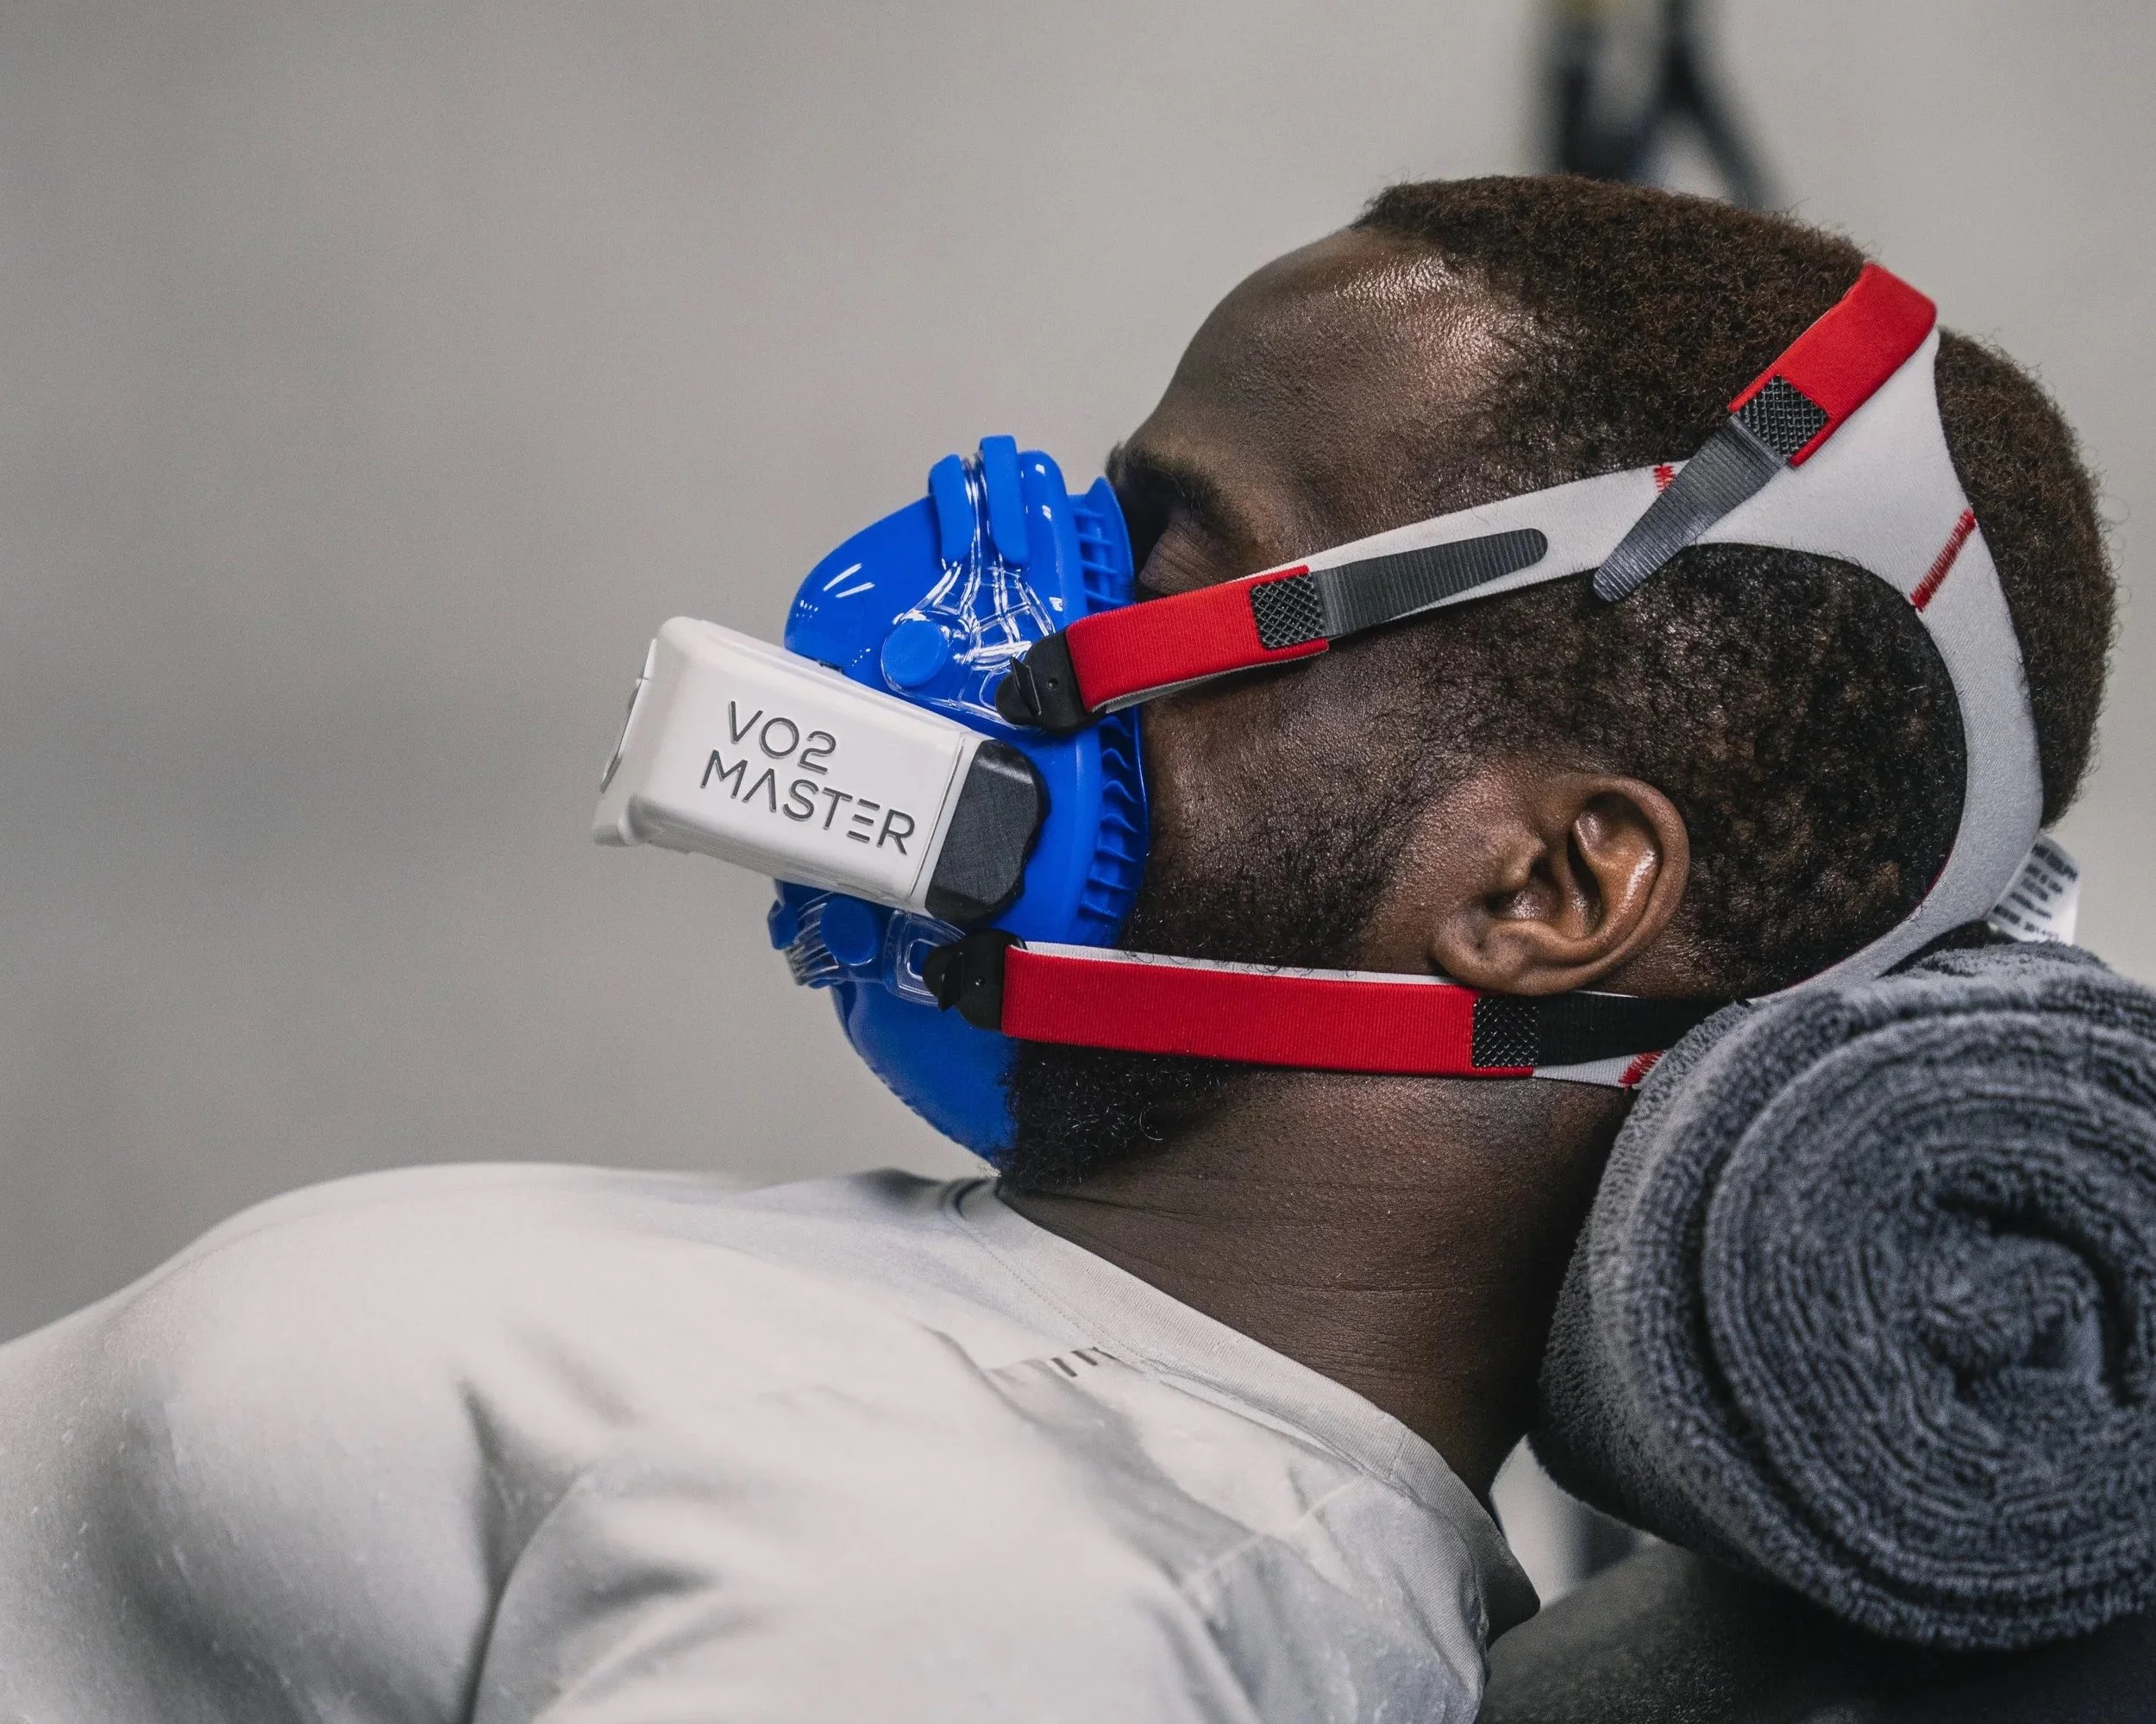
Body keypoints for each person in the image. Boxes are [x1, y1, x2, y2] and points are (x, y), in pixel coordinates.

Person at [0, 177, 2112, 1722]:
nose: (1023, 610)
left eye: (1165, 542)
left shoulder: (1039, 1595)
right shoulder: (1004, 1390)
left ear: (1549, 892)